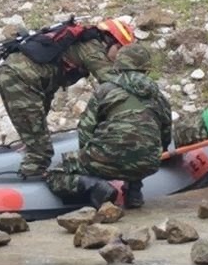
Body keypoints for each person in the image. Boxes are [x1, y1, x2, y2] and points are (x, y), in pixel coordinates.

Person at [0, 17, 136, 178]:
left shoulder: (84, 41)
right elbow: (113, 83)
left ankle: (32, 148)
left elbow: (48, 84)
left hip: (26, 78)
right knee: (41, 153)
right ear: (110, 40)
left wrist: (34, 134)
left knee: (37, 134)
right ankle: (29, 181)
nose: (120, 58)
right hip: (18, 79)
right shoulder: (92, 48)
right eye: (120, 50)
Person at [44, 43, 173, 209]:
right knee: (137, 145)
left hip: (107, 158)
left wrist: (88, 156)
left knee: (54, 172)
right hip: (148, 163)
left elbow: (85, 129)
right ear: (146, 69)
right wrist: (152, 155)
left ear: (118, 66)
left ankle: (96, 187)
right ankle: (134, 192)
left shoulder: (105, 90)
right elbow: (165, 135)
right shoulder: (160, 97)